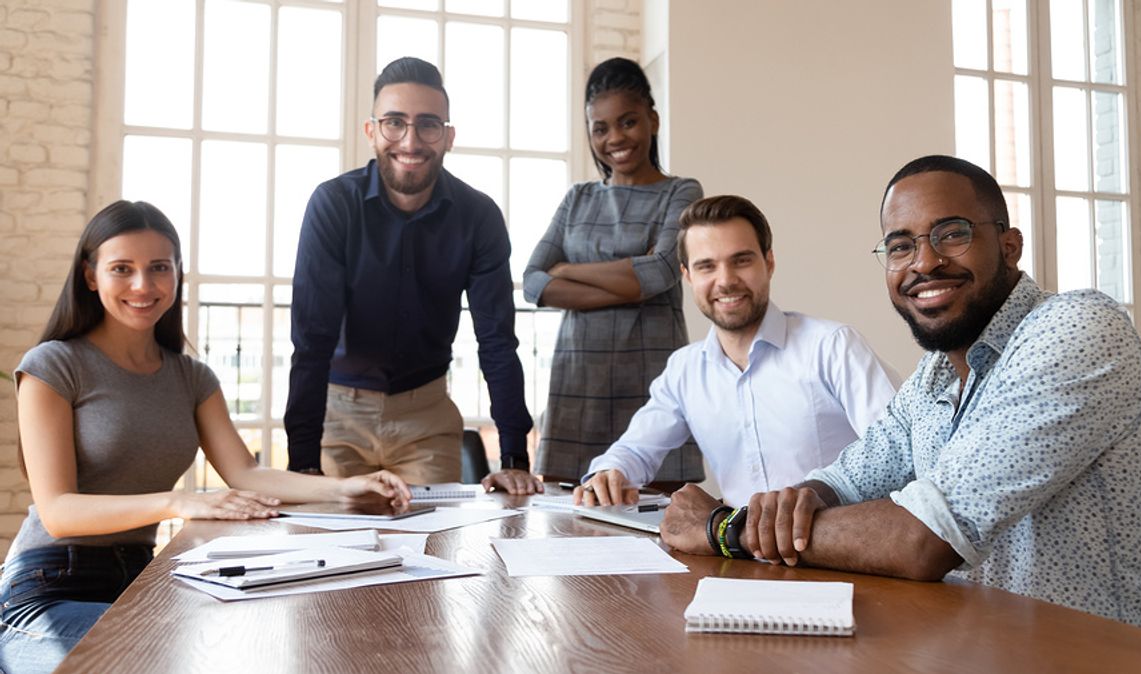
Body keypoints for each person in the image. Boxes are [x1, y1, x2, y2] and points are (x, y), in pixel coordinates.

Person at [660, 156, 1141, 640]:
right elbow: (844, 480)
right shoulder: (937, 374)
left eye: (951, 234)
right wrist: (796, 502)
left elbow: (924, 538)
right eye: (900, 246)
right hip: (986, 645)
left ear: (1009, 247)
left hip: (1122, 655)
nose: (924, 262)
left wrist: (726, 528)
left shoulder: (1076, 329)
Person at [0, 201, 415, 673]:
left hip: (141, 581)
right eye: (122, 269)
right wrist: (179, 503)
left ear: (178, 275)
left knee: (249, 638)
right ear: (91, 276)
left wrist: (344, 488)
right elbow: (57, 511)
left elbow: (246, 471)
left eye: (159, 268)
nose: (143, 285)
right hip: (48, 590)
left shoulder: (191, 377)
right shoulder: (52, 366)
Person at [285, 57, 540, 495]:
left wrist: (514, 457)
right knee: (333, 553)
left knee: (433, 555)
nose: (410, 140)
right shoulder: (333, 205)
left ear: (448, 136)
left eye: (427, 124)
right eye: (394, 123)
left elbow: (497, 339)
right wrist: (303, 461)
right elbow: (312, 340)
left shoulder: (479, 216)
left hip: (426, 418)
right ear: (371, 132)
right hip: (338, 417)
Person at [573, 195, 897, 507]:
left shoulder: (833, 347)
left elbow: (899, 451)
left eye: (740, 261)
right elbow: (636, 450)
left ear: (769, 262)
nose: (726, 281)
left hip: (839, 551)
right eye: (706, 266)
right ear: (687, 276)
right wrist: (610, 473)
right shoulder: (684, 370)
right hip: (738, 552)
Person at [523, 57, 704, 486]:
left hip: (651, 386)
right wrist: (630, 284)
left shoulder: (681, 191)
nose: (615, 138)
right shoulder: (577, 199)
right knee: (564, 526)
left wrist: (569, 270)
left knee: (661, 530)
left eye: (628, 122)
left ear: (653, 121)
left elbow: (660, 271)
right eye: (600, 128)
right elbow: (533, 281)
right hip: (576, 387)